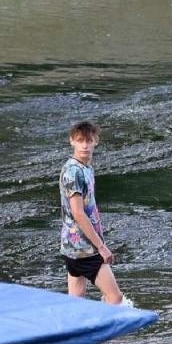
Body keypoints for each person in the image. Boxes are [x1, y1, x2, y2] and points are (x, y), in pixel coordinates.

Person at [58, 121, 125, 305]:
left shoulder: (85, 168)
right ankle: (109, 334)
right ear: (72, 141)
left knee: (76, 301)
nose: (85, 146)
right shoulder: (74, 172)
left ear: (96, 141)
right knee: (115, 297)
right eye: (80, 141)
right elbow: (78, 213)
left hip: (72, 246)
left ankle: (73, 332)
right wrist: (101, 246)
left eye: (89, 141)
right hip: (84, 249)